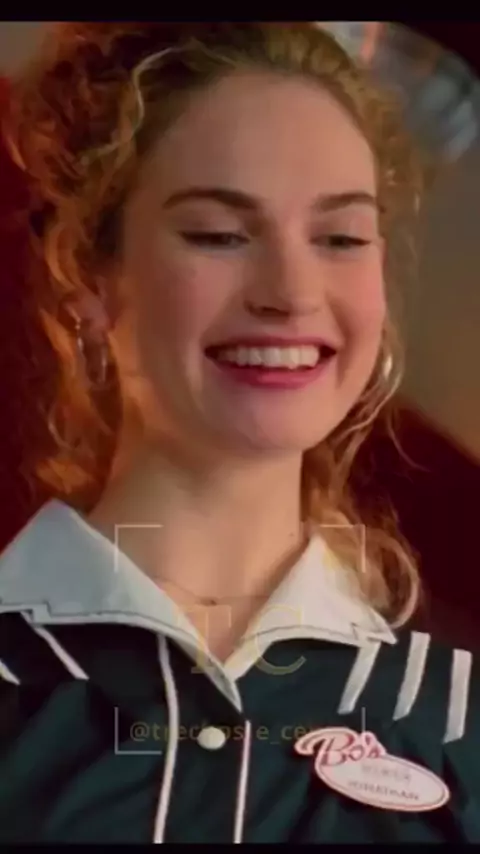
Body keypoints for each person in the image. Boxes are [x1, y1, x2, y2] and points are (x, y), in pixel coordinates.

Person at [0, 21, 478, 844]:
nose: (291, 292)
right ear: (91, 279)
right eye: (219, 233)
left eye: (339, 238)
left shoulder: (462, 719)